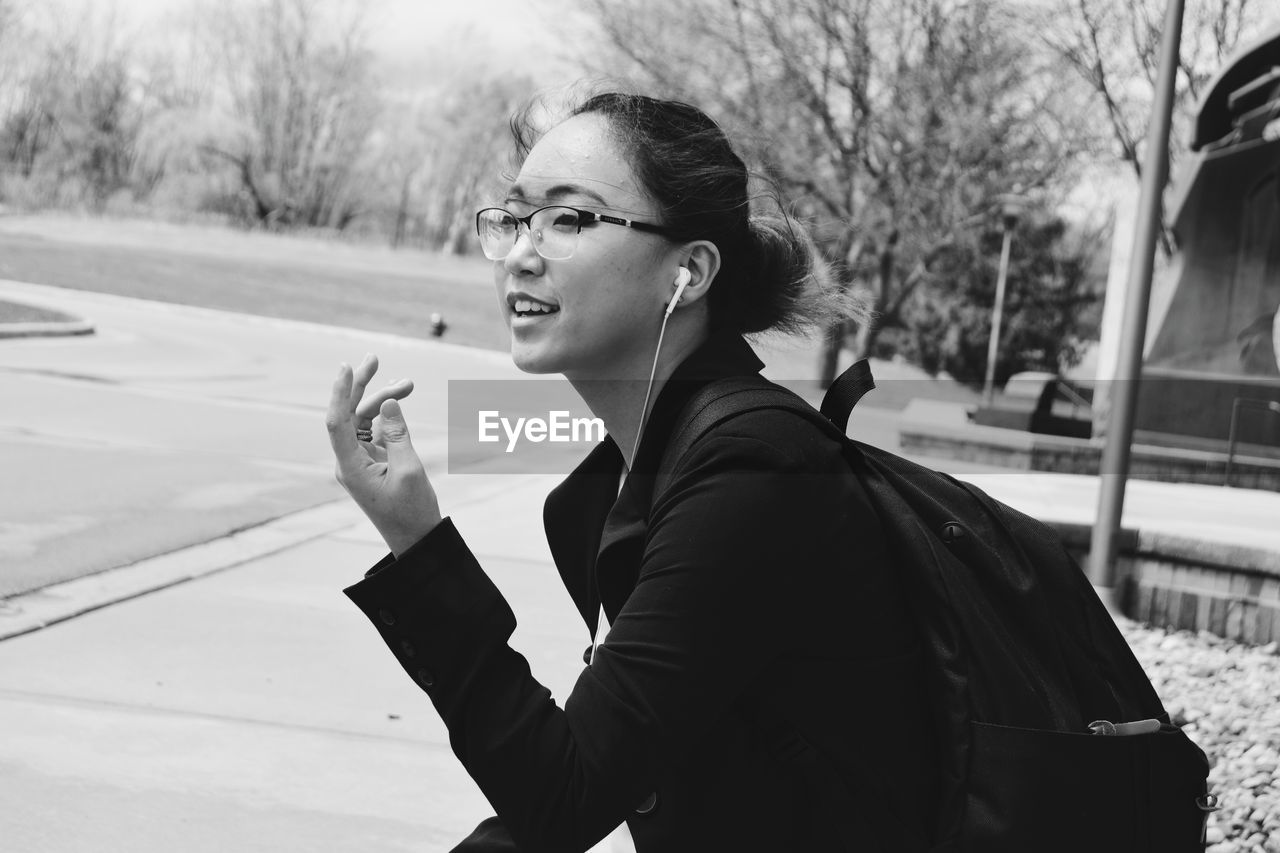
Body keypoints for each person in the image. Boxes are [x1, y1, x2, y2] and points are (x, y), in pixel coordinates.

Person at [325, 91, 938, 852]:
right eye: (516, 218)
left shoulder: (753, 473)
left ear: (689, 271)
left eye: (570, 219)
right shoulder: (619, 482)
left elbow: (565, 796)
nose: (521, 252)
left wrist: (419, 543)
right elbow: (598, 767)